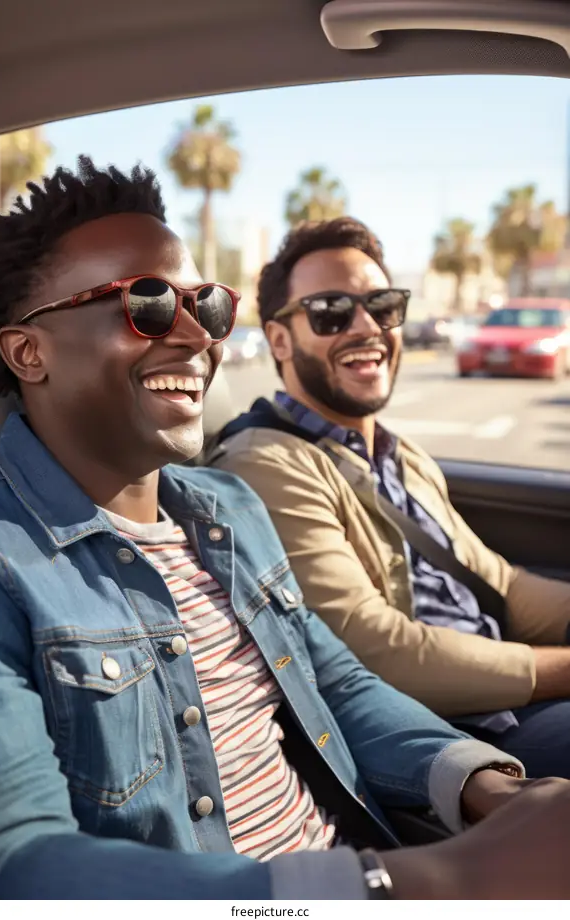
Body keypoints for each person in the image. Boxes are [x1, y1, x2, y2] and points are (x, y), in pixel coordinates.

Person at [0, 161, 568, 902]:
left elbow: (337, 683)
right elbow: (13, 865)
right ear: (29, 352)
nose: (198, 335)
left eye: (208, 306)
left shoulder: (229, 508)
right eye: (147, 304)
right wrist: (425, 879)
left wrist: (482, 785)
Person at [208, 217, 570, 778]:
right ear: (279, 339)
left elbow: (500, 584)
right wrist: (560, 670)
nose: (367, 327)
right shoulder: (266, 463)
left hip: (509, 698)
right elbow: (377, 651)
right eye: (331, 311)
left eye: (383, 306)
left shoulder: (400, 456)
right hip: (451, 738)